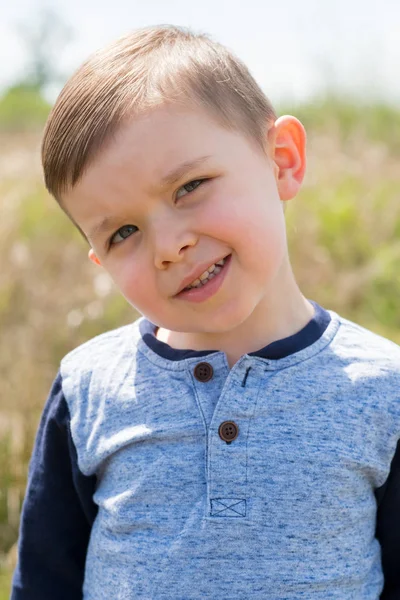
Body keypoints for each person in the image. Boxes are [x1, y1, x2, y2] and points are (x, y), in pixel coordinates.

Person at [11, 25, 400, 600]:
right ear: (100, 260)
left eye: (189, 186)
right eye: (124, 232)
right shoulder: (89, 388)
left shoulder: (383, 391)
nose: (168, 246)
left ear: (282, 161)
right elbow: (46, 582)